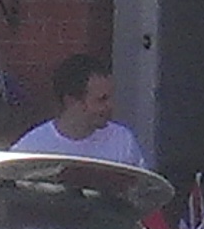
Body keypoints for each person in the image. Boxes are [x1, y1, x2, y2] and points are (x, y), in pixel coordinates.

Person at [9, 53, 150, 169]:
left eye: (110, 97)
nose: (110, 105)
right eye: (102, 99)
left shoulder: (122, 141)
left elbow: (143, 195)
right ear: (72, 101)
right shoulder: (31, 149)